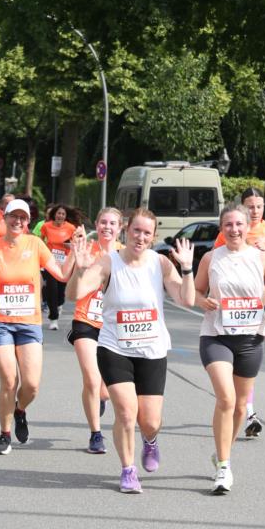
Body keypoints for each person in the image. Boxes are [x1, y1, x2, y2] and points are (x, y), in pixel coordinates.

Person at [67, 207, 195, 493]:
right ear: (127, 230)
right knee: (125, 413)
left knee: (149, 421)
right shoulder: (108, 262)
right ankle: (128, 469)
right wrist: (81, 269)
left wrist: (186, 269)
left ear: (153, 236)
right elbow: (73, 294)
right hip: (115, 347)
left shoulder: (160, 263)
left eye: (147, 233)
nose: (140, 236)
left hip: (152, 350)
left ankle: (150, 440)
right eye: (136, 230)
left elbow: (186, 300)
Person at [195, 204, 265, 494]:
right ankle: (224, 467)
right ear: (221, 229)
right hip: (216, 336)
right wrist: (203, 301)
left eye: (239, 225)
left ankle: (222, 452)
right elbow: (196, 292)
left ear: (247, 227)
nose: (235, 230)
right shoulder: (211, 258)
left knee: (240, 406)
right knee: (226, 399)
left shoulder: (262, 258)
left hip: (251, 339)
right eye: (229, 225)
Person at [0, 199, 67, 455]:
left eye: (23, 217)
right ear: (4, 219)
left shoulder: (35, 244)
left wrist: (76, 254)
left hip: (28, 323)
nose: (18, 221)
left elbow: (62, 275)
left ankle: (20, 410)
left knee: (31, 385)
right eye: (13, 217)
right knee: (9, 380)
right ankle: (4, 434)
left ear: (28, 221)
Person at [214, 186, 265, 438]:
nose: (255, 211)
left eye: (259, 206)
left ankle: (244, 407)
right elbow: (215, 259)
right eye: (250, 206)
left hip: (263, 303)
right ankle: (246, 409)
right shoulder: (233, 229)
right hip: (231, 305)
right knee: (236, 361)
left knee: (248, 359)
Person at [67, 207, 123, 454]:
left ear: (120, 228)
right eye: (103, 222)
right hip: (86, 320)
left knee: (106, 390)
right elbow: (69, 289)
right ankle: (95, 434)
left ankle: (100, 398)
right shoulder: (85, 249)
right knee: (91, 378)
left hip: (116, 325)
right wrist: (78, 266)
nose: (107, 227)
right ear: (96, 225)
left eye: (112, 223)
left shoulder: (126, 254)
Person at [40, 204, 83, 330]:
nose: (60, 216)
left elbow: (76, 242)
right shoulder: (46, 226)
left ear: (65, 216)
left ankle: (59, 304)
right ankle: (53, 318)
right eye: (58, 213)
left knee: (60, 290)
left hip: (65, 262)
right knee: (51, 288)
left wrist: (69, 245)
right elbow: (41, 241)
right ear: (54, 214)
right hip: (50, 261)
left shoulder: (70, 228)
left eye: (63, 214)